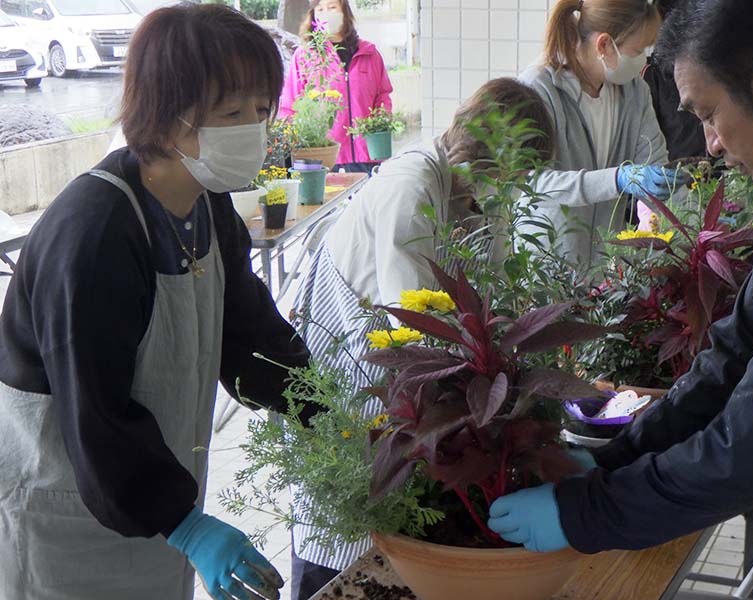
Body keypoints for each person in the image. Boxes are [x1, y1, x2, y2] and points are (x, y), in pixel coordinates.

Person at [486, 0, 753, 597]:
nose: (708, 144)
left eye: (709, 114)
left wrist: (587, 512)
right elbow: (737, 353)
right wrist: (616, 460)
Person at [0, 5, 315, 600]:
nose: (253, 128)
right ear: (166, 118)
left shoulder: (206, 203)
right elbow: (96, 411)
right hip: (64, 517)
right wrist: (187, 524)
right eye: (230, 112)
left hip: (148, 505)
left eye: (261, 110)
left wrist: (326, 411)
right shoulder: (95, 237)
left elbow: (250, 336)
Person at [288, 77, 555, 600]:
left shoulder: (483, 195)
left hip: (409, 376)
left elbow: (494, 291)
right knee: (340, 509)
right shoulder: (411, 183)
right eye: (511, 172)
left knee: (398, 513)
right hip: (352, 358)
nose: (514, 188)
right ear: (481, 153)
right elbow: (411, 322)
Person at [518, 0, 689, 269]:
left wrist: (690, 225)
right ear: (604, 45)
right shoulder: (539, 88)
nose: (644, 58)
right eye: (637, 49)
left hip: (605, 267)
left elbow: (655, 165)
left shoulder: (634, 92)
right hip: (546, 265)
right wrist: (616, 180)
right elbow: (533, 182)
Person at [278, 0, 394, 174]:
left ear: (344, 12)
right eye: (320, 9)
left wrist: (378, 125)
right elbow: (290, 105)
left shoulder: (369, 53)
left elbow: (383, 95)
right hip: (325, 156)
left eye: (332, 7)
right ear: (313, 15)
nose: (326, 13)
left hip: (368, 156)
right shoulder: (305, 56)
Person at [640, 0, 706, 161]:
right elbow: (648, 142)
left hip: (728, 173)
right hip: (681, 175)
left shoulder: (713, 67)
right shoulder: (651, 76)